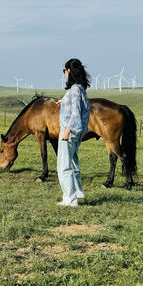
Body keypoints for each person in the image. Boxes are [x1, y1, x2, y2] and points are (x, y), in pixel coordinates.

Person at [56, 58, 91, 207]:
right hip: (78, 130)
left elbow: (76, 112)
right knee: (73, 161)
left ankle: (70, 199)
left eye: (65, 70)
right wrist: (62, 102)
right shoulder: (80, 87)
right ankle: (77, 192)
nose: (64, 73)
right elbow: (80, 107)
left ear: (69, 71)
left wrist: (67, 131)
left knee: (64, 165)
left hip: (70, 129)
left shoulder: (75, 89)